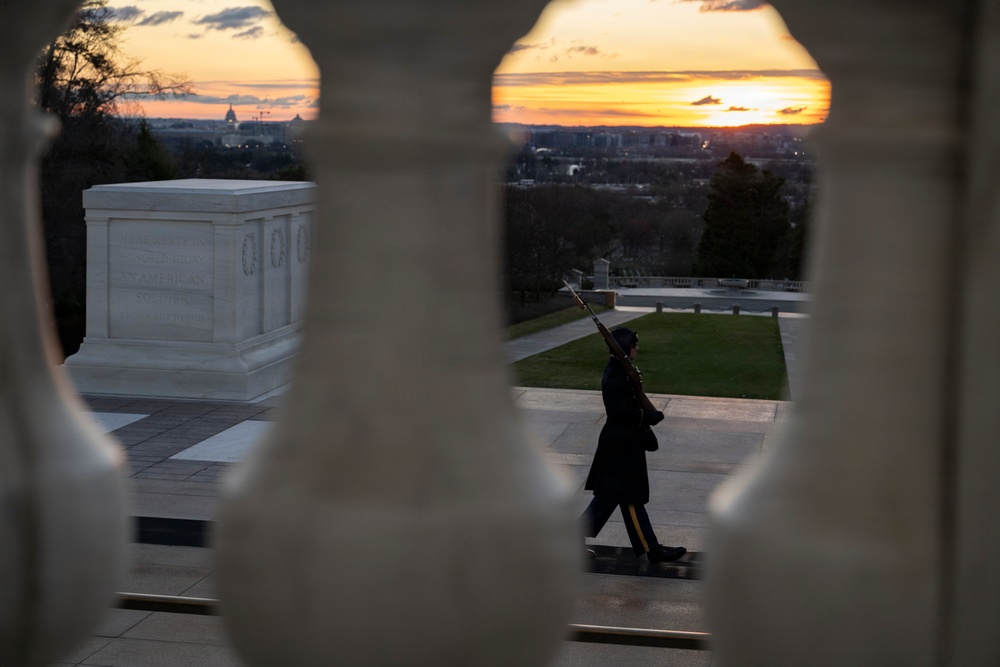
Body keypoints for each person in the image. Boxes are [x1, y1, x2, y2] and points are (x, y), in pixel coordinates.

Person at [580, 326, 687, 563]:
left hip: (623, 443)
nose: (637, 348)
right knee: (629, 497)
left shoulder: (622, 371)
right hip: (620, 446)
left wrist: (646, 430)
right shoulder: (616, 376)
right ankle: (652, 549)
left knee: (609, 498)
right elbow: (619, 413)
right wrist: (646, 418)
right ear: (623, 348)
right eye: (633, 344)